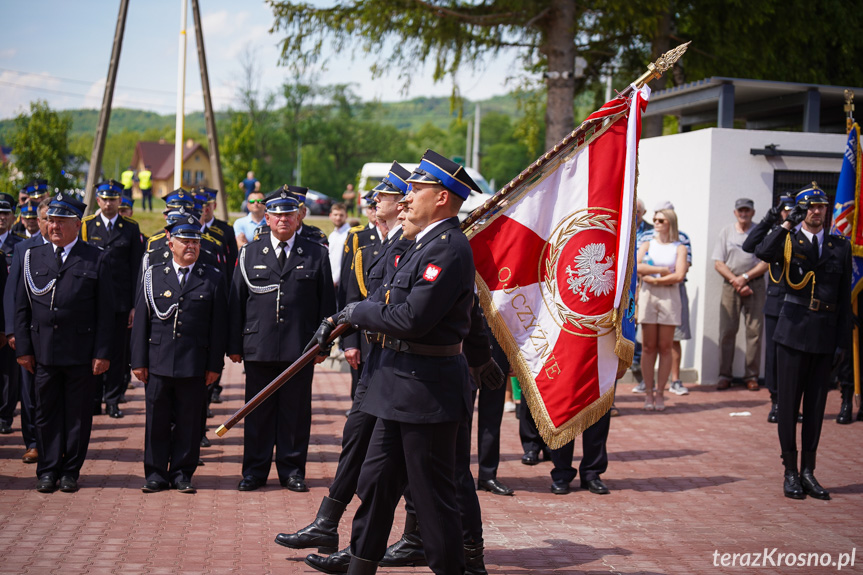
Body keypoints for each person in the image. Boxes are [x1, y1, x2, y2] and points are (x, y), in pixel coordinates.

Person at [312, 149, 480, 575]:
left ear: (442, 197)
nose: (405, 198)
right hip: (394, 384)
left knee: (432, 500)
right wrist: (341, 316)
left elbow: (411, 318)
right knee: (377, 486)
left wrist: (352, 313)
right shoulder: (417, 242)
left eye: (416, 189)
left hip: (427, 393)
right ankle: (360, 565)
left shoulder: (449, 248)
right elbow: (384, 299)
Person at [228, 188, 335, 493]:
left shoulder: (316, 253)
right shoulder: (249, 253)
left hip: (299, 349)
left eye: (288, 214)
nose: (283, 220)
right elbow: (237, 301)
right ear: (268, 218)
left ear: (298, 217)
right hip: (259, 347)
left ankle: (292, 471)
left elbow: (327, 304)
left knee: (295, 413)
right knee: (258, 413)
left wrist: (322, 346)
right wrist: (234, 346)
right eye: (277, 215)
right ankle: (254, 471)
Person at [754, 183, 851, 500]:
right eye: (809, 207)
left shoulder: (839, 247)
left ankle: (809, 471)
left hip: (824, 334)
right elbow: (761, 252)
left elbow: (843, 299)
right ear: (800, 212)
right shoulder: (789, 241)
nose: (816, 211)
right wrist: (785, 223)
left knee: (815, 407)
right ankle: (790, 471)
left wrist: (842, 343)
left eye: (821, 206)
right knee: (788, 407)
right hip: (793, 333)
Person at [14, 192, 114, 493]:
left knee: (78, 416)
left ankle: (70, 470)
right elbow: (21, 306)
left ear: (76, 224)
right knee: (45, 414)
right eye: (51, 221)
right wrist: (23, 349)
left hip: (81, 353)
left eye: (60, 221)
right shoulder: (33, 256)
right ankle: (47, 470)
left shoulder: (96, 258)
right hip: (42, 352)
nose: (53, 226)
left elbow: (107, 313)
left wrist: (102, 352)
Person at [131, 214, 227, 494]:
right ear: (170, 242)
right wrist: (138, 361)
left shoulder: (212, 277)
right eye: (185, 241)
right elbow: (141, 322)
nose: (191, 246)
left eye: (195, 242)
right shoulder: (153, 275)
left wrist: (214, 366)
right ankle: (156, 473)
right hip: (158, 361)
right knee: (156, 421)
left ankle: (183, 473)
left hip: (194, 363)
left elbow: (218, 327)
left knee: (189, 422)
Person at [81, 180, 145, 419]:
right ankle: (95, 399)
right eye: (104, 199)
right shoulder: (87, 225)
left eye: (113, 199)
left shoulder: (130, 227)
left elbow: (136, 268)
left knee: (118, 354)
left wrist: (134, 306)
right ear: (98, 201)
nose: (109, 203)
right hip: (92, 301)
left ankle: (113, 400)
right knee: (94, 351)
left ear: (120, 201)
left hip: (120, 302)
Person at [4, 198, 51, 462]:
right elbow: (12, 295)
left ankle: (57, 443)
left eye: (54, 219)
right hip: (30, 334)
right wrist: (12, 332)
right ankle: (32, 442)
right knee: (29, 392)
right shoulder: (24, 248)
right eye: (45, 219)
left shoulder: (73, 249)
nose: (49, 224)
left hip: (59, 337)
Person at [742, 194, 794, 422]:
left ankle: (793, 403)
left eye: (792, 210)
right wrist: (769, 219)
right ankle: (776, 401)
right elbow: (749, 245)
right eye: (784, 210)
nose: (788, 214)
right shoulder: (776, 232)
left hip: (799, 302)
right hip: (777, 301)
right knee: (773, 355)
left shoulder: (805, 233)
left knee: (795, 356)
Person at [713, 198, 769, 391]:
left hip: (755, 285)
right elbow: (718, 262)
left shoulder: (760, 232)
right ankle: (724, 375)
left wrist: (744, 278)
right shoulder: (726, 232)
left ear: (753, 213)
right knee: (727, 332)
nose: (743, 214)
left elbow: (766, 262)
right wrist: (736, 282)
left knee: (754, 331)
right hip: (731, 286)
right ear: (735, 213)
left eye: (747, 211)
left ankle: (751, 376)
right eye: (740, 211)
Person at [636, 205, 688, 411]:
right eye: (655, 220)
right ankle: (648, 393)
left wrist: (654, 279)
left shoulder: (680, 247)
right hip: (649, 296)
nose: (656, 223)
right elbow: (637, 266)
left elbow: (680, 275)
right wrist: (662, 270)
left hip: (669, 296)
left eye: (660, 220)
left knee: (666, 347)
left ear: (670, 223)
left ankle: (660, 393)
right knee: (648, 347)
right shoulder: (647, 244)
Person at [0, 192, 24, 436]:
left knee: (9, 370)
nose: (1, 218)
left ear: (12, 217)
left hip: (8, 316)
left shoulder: (18, 246)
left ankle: (5, 415)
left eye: (5, 213)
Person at [197, 186, 238, 270]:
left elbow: (232, 260)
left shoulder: (226, 229)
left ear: (214, 205)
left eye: (208, 205)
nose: (205, 209)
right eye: (200, 206)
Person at [327, 203, 351, 288]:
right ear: (330, 215)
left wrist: (334, 280)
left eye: (341, 215)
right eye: (335, 215)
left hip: (342, 282)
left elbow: (343, 261)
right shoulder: (332, 235)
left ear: (346, 216)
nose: (338, 218)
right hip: (330, 280)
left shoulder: (349, 235)